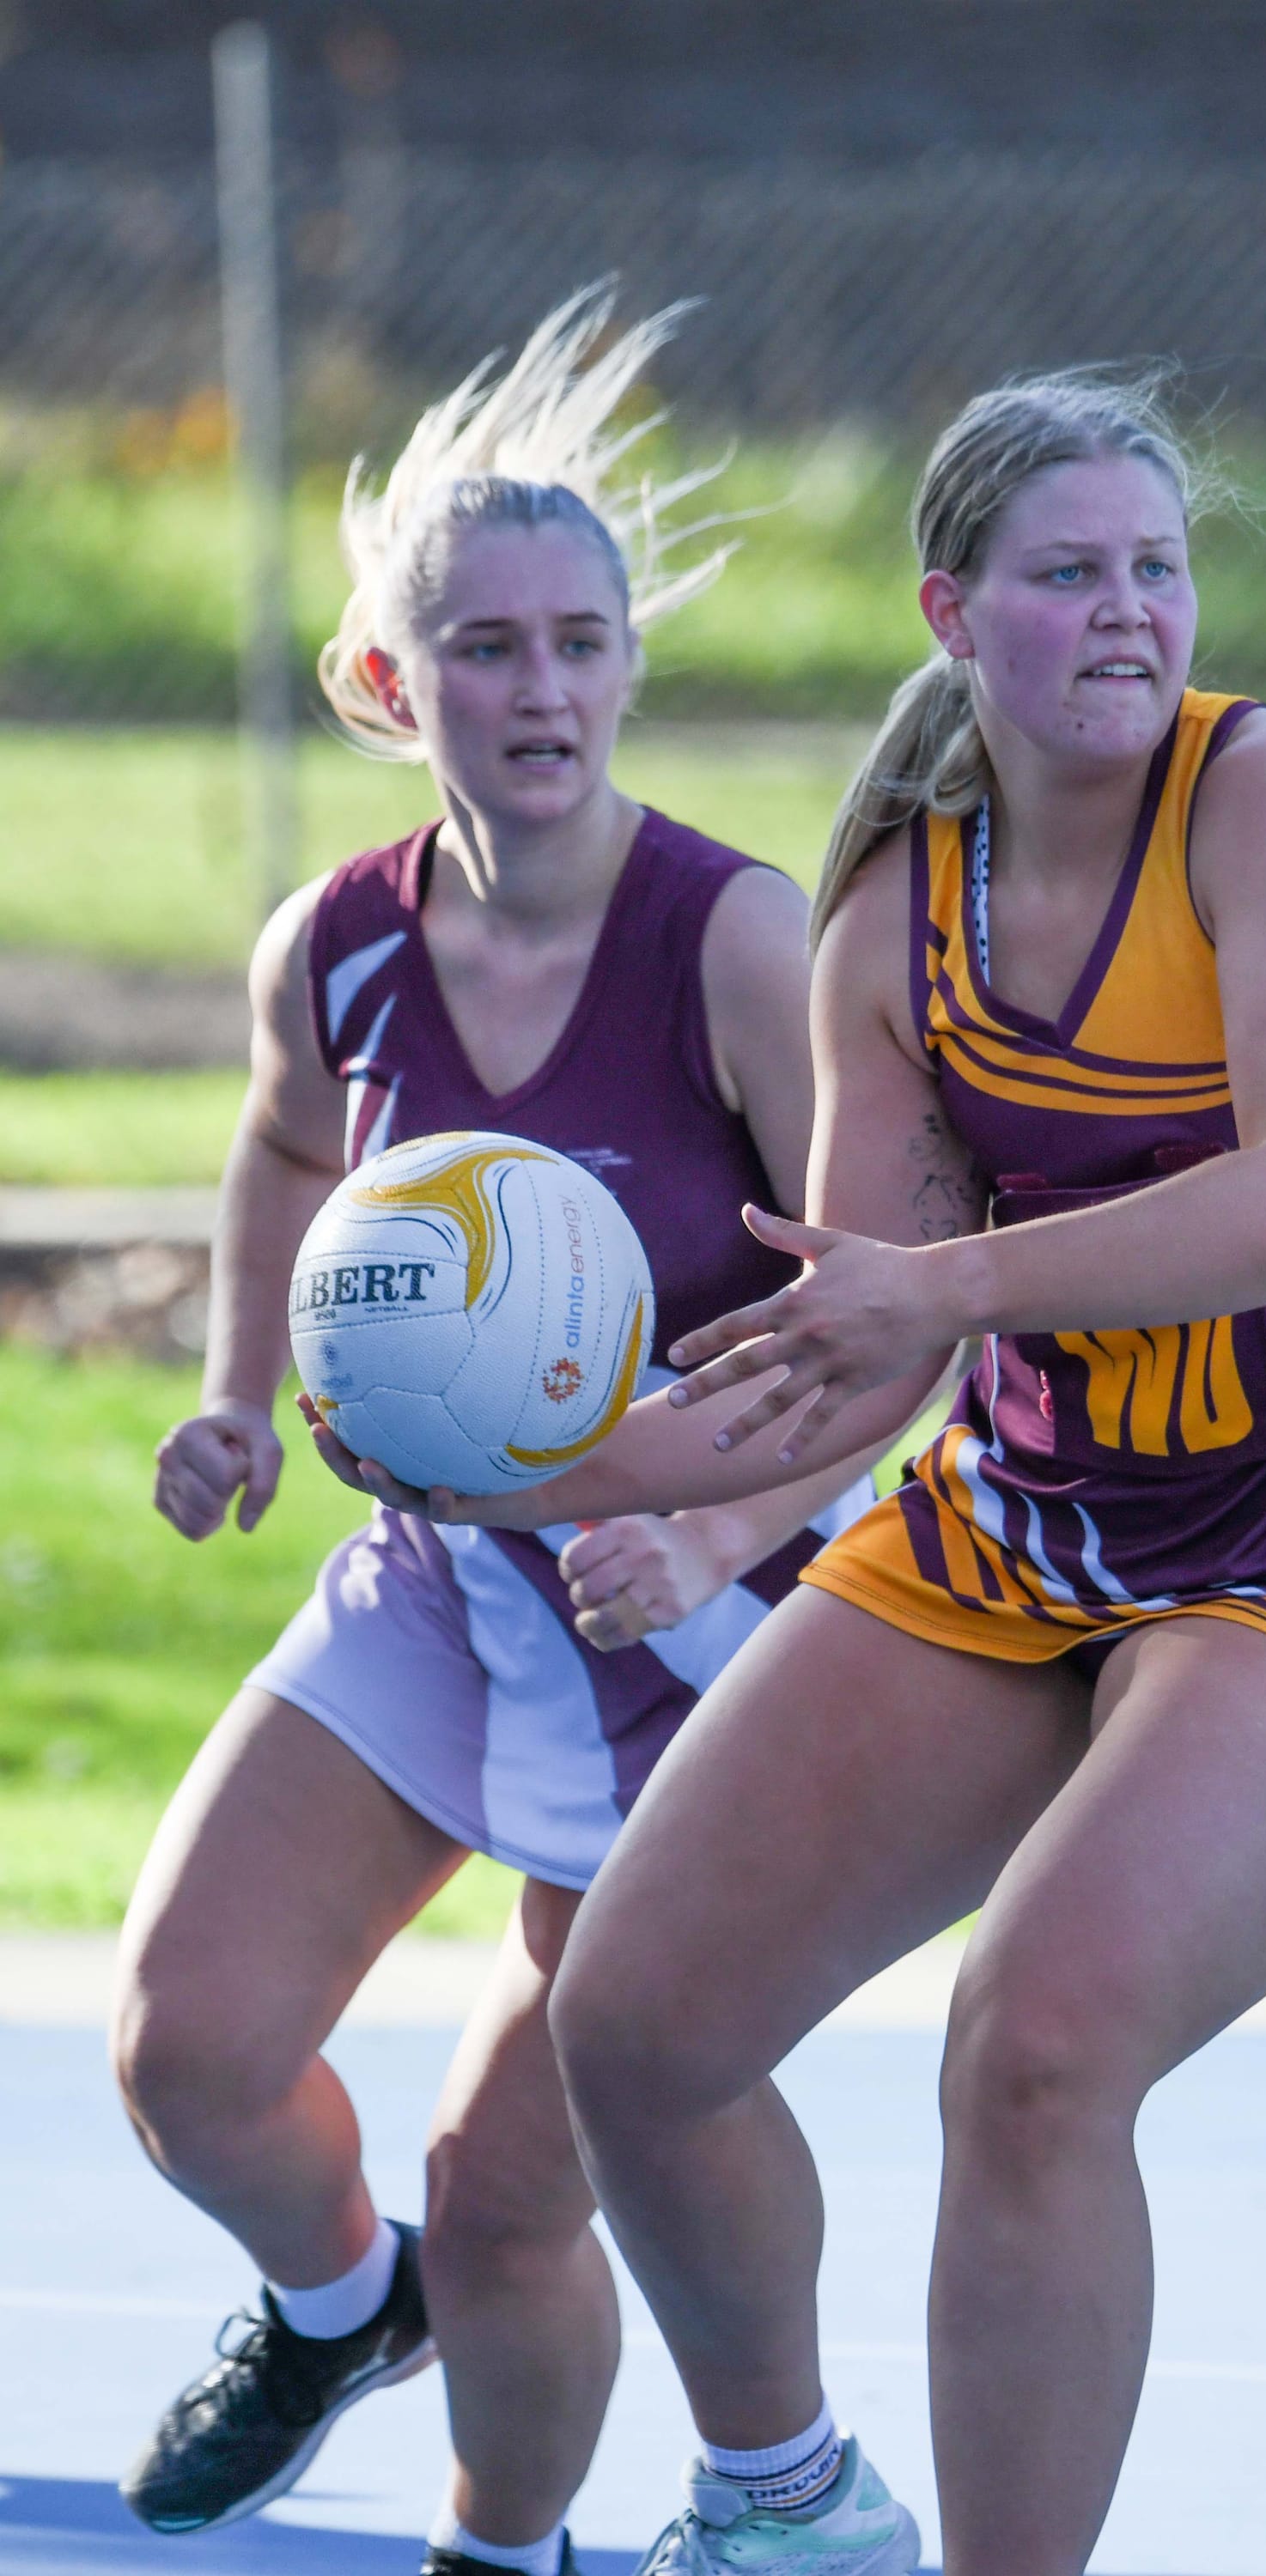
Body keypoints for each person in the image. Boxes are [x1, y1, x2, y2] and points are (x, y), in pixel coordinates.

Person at [314, 367, 1266, 2576]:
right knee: (641, 2020)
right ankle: (787, 2509)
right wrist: (517, 1464)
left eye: (1157, 568)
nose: (1131, 613)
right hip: (1030, 1523)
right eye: (1071, 575)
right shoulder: (896, 910)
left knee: (1037, 2045)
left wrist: (941, 1296)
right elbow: (831, 1353)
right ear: (954, 613)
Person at [113, 286, 886, 2576]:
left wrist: (727, 1514)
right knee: (187, 2056)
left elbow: (895, 1319)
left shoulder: (744, 946)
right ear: (390, 683)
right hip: (445, 1585)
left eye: (575, 641)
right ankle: (341, 2315)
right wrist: (240, 1394)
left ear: (628, 664)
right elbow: (279, 1150)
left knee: (512, 2178)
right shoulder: (333, 948)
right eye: (482, 648)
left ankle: (495, 2547)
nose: (537, 690)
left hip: (694, 1643)